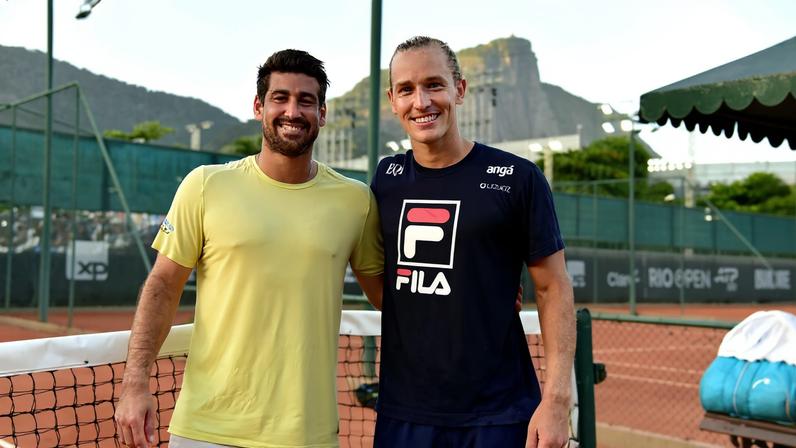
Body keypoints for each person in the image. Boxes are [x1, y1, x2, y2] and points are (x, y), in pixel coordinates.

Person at [114, 49, 383, 448]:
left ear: (322, 114)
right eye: (281, 97)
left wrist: (481, 291)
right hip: (205, 428)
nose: (293, 110)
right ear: (259, 106)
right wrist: (135, 381)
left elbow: (391, 298)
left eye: (306, 100)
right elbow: (163, 285)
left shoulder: (356, 201)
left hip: (306, 434)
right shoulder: (204, 185)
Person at [370, 36, 576, 448]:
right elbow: (378, 276)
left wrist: (556, 400)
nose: (422, 102)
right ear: (393, 101)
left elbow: (553, 287)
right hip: (403, 414)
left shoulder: (519, 178)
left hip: (499, 415)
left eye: (434, 85)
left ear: (459, 90)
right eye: (407, 90)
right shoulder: (384, 180)